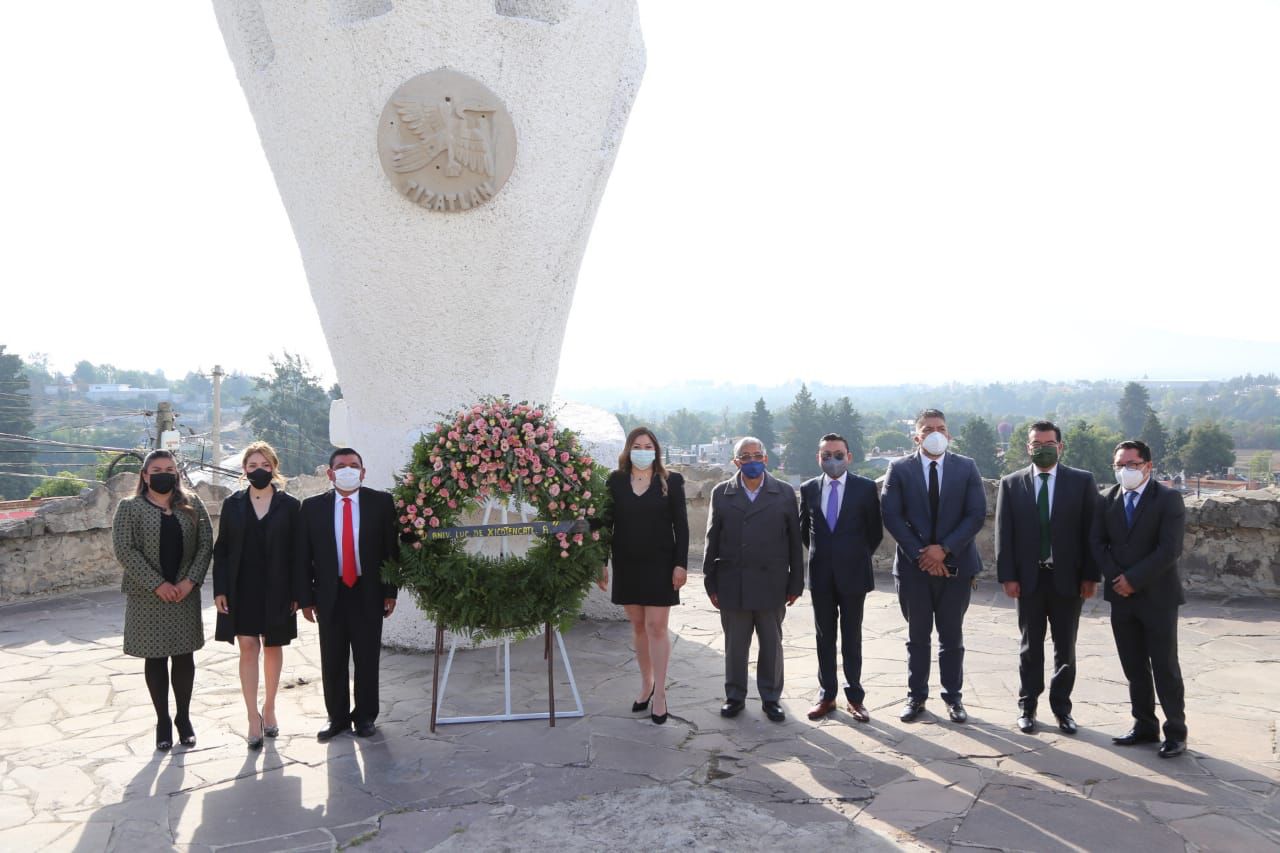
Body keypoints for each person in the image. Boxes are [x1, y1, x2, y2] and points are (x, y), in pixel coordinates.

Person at [880, 409, 986, 724]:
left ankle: (954, 699)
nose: (935, 433)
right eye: (928, 429)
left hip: (958, 567)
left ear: (949, 434)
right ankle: (916, 698)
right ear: (917, 436)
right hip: (914, 568)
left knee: (952, 637)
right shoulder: (898, 468)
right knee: (917, 636)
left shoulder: (966, 468)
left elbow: (976, 514)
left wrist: (945, 550)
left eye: (940, 428)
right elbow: (892, 515)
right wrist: (922, 554)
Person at [995, 421, 1099, 735]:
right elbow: (1004, 534)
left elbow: (1092, 533)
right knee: (1030, 647)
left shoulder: (1081, 482)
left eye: (1048, 442)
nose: (1042, 448)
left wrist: (1091, 576)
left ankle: (1062, 709)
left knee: (1065, 648)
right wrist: (1008, 576)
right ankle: (1027, 706)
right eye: (1036, 443)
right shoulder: (1012, 484)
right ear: (1028, 447)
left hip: (1068, 579)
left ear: (1060, 446)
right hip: (1029, 579)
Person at [1090, 439, 1188, 758]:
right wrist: (1118, 579)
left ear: (1147, 465)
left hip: (1157, 596)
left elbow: (1169, 549)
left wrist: (1134, 579)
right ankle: (1144, 724)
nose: (1125, 470)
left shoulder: (1168, 499)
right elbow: (1098, 543)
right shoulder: (1107, 500)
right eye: (1119, 465)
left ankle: (1175, 731)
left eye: (1131, 464)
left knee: (1164, 666)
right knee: (1134, 666)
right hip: (1121, 597)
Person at [111, 450, 214, 751]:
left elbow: (206, 544)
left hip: (184, 594)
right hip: (148, 597)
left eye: (169, 468)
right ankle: (163, 721)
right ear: (144, 475)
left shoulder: (192, 505)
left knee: (184, 657)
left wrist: (189, 581)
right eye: (156, 469)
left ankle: (183, 718)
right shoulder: (129, 508)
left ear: (177, 473)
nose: (163, 473)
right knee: (154, 658)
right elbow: (125, 550)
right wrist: (158, 584)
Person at [295, 448, 399, 740]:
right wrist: (306, 598)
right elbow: (303, 556)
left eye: (354, 465)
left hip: (369, 590)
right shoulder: (312, 507)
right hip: (329, 592)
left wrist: (391, 591)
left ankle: (365, 717)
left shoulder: (381, 503)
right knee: (333, 657)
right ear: (330, 474)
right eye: (341, 466)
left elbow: (391, 550)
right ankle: (337, 717)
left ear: (363, 472)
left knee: (367, 657)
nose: (348, 470)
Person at [704, 436, 804, 723]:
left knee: (771, 644)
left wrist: (796, 582)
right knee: (735, 644)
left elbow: (795, 543)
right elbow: (712, 539)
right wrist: (711, 583)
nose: (751, 461)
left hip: (771, 582)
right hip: (732, 581)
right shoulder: (722, 493)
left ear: (765, 458)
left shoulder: (784, 493)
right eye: (744, 457)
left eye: (756, 455)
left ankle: (771, 698)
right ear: (736, 462)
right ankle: (734, 696)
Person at [597, 427, 690, 725]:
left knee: (657, 627)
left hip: (661, 564)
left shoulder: (671, 481)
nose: (642, 450)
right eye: (637, 445)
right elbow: (605, 523)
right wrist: (601, 562)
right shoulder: (615, 481)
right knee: (638, 626)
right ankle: (646, 684)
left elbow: (682, 527)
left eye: (648, 445)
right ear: (628, 449)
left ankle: (660, 693)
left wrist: (681, 564)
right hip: (627, 563)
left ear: (656, 450)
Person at [213, 441, 301, 749]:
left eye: (265, 465)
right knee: (248, 648)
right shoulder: (232, 504)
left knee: (273, 645)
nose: (259, 470)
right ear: (244, 470)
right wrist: (220, 589)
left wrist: (297, 592)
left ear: (274, 468)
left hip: (278, 588)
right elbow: (221, 549)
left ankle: (270, 708)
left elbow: (298, 553)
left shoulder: (290, 505)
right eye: (253, 466)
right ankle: (252, 717)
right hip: (241, 588)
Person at [799, 433, 883, 723]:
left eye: (837, 454)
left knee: (852, 637)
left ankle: (855, 697)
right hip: (821, 575)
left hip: (853, 575)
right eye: (826, 455)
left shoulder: (865, 488)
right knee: (824, 637)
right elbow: (804, 531)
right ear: (818, 458)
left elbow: (875, 532)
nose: (831, 460)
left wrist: (853, 556)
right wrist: (827, 556)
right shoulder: (808, 488)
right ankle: (827, 695)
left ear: (849, 456)